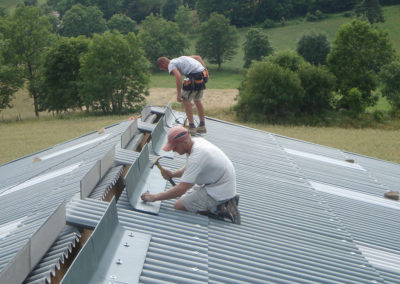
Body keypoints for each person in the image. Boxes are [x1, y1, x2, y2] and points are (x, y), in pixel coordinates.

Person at [141, 126, 240, 223]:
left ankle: (219, 207)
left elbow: (181, 189)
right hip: (217, 182)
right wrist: (173, 174)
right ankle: (223, 202)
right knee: (185, 198)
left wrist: (154, 197)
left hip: (220, 189)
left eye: (175, 147)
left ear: (184, 143)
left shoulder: (197, 156)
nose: (173, 150)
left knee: (179, 206)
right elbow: (189, 168)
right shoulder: (196, 142)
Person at [157, 56, 208, 135]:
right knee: (197, 100)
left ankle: (191, 127)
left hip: (194, 76)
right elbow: (198, 57)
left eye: (163, 68)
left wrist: (178, 94)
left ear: (163, 63)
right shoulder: (180, 59)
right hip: (202, 75)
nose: (166, 70)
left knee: (185, 100)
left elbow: (178, 77)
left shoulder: (171, 64)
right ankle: (202, 126)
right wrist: (206, 71)